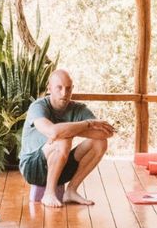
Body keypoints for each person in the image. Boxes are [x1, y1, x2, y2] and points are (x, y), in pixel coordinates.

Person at [18, 69, 115, 208]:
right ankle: (49, 193)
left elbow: (105, 133)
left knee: (100, 143)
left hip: (62, 168)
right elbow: (53, 133)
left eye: (68, 88)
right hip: (33, 168)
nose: (64, 93)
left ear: (72, 89)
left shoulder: (78, 109)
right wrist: (86, 124)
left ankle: (71, 191)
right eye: (59, 88)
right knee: (63, 140)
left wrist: (69, 130)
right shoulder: (38, 107)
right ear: (49, 88)